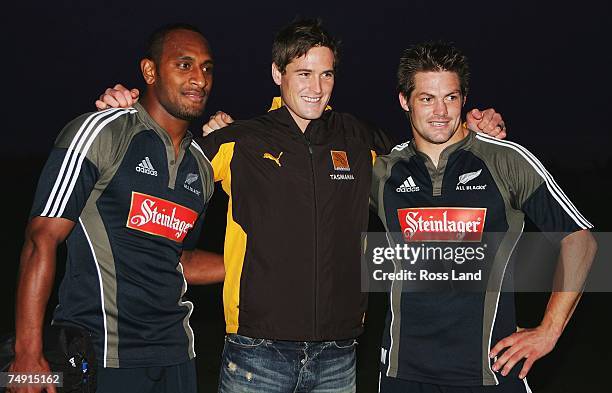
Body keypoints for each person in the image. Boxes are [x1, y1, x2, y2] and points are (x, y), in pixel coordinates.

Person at [96, 19, 506, 393]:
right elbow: (166, 158)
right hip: (256, 352)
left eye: (326, 74)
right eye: (303, 73)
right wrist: (129, 113)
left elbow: (426, 153)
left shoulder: (358, 137)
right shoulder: (239, 139)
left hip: (339, 355)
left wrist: (475, 131)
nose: (316, 87)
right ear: (278, 74)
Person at [371, 41, 597, 393]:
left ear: (464, 100)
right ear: (404, 101)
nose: (441, 111)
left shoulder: (506, 160)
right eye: (426, 98)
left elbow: (580, 240)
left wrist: (549, 330)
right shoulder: (383, 172)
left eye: (451, 97)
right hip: (403, 373)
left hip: (490, 372)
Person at [9, 24, 224, 393]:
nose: (199, 79)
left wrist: (257, 264)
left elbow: (180, 259)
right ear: (150, 71)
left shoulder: (202, 168)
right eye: (184, 65)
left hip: (178, 356)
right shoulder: (102, 132)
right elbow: (40, 239)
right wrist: (27, 354)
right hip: (103, 354)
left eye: (207, 68)